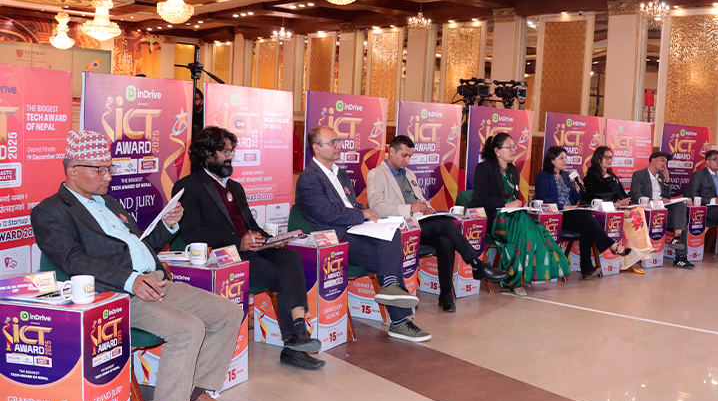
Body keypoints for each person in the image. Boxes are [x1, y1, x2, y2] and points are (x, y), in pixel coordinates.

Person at [31, 130, 243, 401]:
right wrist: (131, 280)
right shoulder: (50, 210)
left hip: (152, 281)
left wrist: (168, 225)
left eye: (109, 169)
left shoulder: (108, 202)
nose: (108, 176)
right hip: (113, 295)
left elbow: (140, 247)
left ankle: (195, 394)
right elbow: (73, 260)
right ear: (72, 170)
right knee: (188, 329)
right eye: (99, 170)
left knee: (228, 312)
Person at [173, 127, 326, 370]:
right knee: (279, 274)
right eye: (224, 151)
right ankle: (293, 347)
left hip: (251, 250)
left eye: (231, 151)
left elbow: (251, 227)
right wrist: (238, 242)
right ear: (207, 154)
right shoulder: (188, 187)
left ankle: (298, 331)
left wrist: (272, 239)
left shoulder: (235, 188)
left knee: (290, 257)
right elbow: (193, 233)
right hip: (223, 256)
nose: (230, 156)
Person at [296, 125, 432, 337]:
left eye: (338, 141)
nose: (339, 146)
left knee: (392, 230)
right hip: (335, 236)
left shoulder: (341, 174)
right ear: (316, 148)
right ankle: (399, 319)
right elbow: (326, 214)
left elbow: (350, 205)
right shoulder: (309, 178)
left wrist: (367, 214)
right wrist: (362, 214)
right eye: (333, 143)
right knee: (388, 259)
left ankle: (391, 292)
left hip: (355, 229)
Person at [366, 135, 509, 312]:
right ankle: (477, 265)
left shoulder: (409, 173)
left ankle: (446, 295)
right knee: (447, 224)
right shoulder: (376, 174)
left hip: (419, 223)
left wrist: (429, 209)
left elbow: (420, 199)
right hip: (399, 228)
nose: (408, 160)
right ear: (392, 151)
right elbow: (377, 207)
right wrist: (410, 208)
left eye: (410, 156)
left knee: (445, 239)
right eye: (404, 155)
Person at [470, 132, 569, 295]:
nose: (513, 150)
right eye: (509, 147)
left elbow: (515, 197)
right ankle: (514, 280)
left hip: (514, 216)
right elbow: (479, 199)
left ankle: (517, 277)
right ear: (497, 151)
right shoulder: (484, 168)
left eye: (514, 147)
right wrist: (505, 204)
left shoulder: (514, 171)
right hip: (493, 218)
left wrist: (519, 206)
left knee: (533, 228)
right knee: (524, 227)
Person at [535, 146, 631, 280]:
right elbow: (542, 199)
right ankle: (612, 245)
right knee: (586, 218)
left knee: (587, 225)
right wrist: (563, 206)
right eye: (561, 158)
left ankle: (586, 269)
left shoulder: (565, 176)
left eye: (566, 158)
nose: (565, 161)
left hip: (570, 213)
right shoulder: (543, 176)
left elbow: (573, 200)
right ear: (552, 160)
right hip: (556, 216)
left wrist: (576, 189)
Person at [580, 146, 655, 273]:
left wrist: (624, 202)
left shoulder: (613, 177)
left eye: (611, 157)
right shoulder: (590, 177)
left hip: (616, 209)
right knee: (631, 217)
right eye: (606, 157)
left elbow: (622, 195)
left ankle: (637, 254)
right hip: (600, 212)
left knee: (637, 210)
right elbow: (589, 200)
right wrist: (615, 204)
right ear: (598, 159)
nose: (609, 160)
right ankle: (630, 258)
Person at [628, 151, 694, 269]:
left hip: (661, 213)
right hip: (647, 213)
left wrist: (667, 180)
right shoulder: (639, 175)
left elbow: (666, 196)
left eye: (666, 161)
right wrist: (657, 202)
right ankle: (680, 256)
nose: (665, 163)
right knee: (681, 220)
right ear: (653, 160)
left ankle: (677, 239)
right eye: (662, 160)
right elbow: (637, 196)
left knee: (681, 207)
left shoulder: (661, 176)